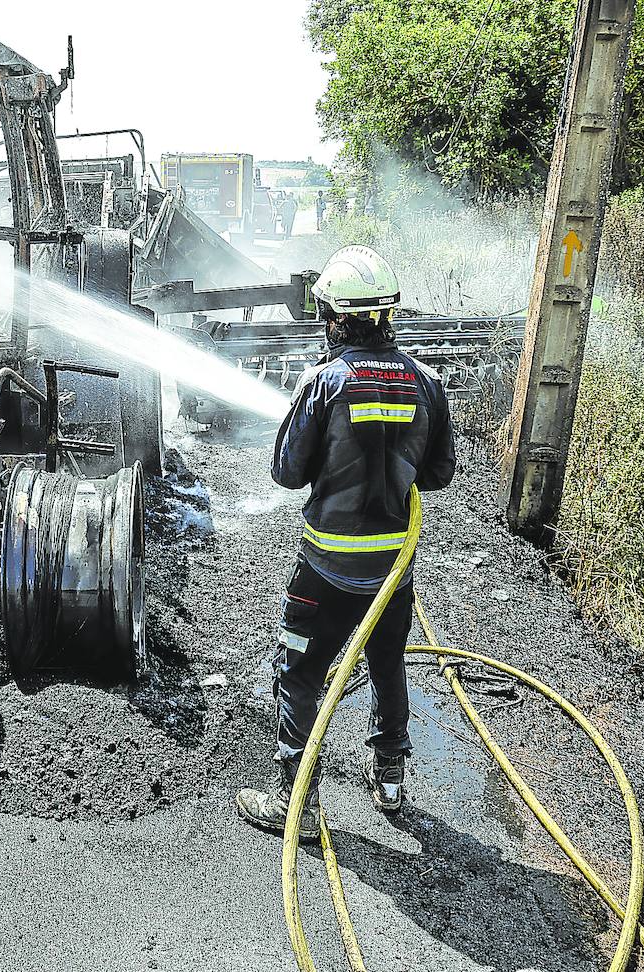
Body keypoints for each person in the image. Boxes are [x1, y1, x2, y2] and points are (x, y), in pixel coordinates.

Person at [235, 245, 457, 840]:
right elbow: (438, 476)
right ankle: (390, 780)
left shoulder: (323, 383)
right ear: (387, 315)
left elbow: (287, 472)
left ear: (335, 317)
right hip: (392, 571)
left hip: (326, 569)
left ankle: (295, 802)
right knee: (386, 665)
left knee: (300, 674)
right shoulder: (428, 384)